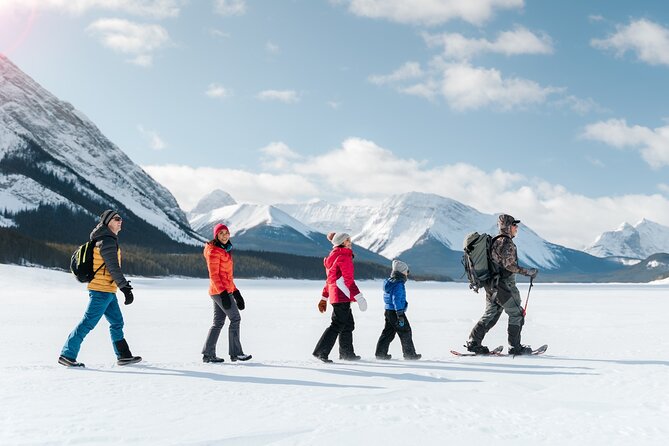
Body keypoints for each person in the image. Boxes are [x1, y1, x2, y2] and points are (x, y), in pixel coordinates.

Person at [59, 210, 141, 367]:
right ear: (108, 222)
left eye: (121, 218)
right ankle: (67, 354)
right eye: (117, 219)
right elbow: (113, 267)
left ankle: (123, 356)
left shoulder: (106, 239)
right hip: (101, 291)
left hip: (108, 291)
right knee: (88, 323)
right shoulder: (107, 241)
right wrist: (125, 288)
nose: (120, 221)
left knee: (117, 322)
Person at [465, 214, 539, 355]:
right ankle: (515, 347)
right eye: (514, 225)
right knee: (517, 314)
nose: (516, 228)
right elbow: (509, 266)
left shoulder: (495, 241)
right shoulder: (506, 242)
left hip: (491, 285)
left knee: (491, 314)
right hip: (504, 286)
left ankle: (473, 342)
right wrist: (528, 272)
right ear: (507, 227)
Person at [313, 232, 367, 363]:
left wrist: (324, 297)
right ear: (342, 242)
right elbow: (348, 280)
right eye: (348, 240)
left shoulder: (334, 257)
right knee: (337, 324)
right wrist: (359, 297)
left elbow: (329, 281)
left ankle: (347, 353)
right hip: (342, 295)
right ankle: (321, 352)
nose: (350, 241)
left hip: (337, 295)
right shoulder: (343, 256)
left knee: (348, 324)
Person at [202, 223, 252, 363]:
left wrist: (236, 292)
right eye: (221, 233)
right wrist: (224, 293)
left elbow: (226, 276)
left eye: (226, 233)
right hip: (219, 291)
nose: (224, 236)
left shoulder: (225, 250)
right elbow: (215, 276)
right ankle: (236, 353)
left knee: (218, 322)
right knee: (235, 318)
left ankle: (208, 354)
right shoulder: (214, 251)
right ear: (216, 236)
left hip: (221, 290)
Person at [375, 259, 421, 360]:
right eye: (406, 271)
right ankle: (410, 355)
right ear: (401, 272)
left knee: (388, 332)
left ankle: (380, 353)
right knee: (405, 331)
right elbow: (396, 299)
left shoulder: (390, 282)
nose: (407, 273)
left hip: (388, 311)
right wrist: (400, 313)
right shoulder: (398, 284)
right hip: (396, 312)